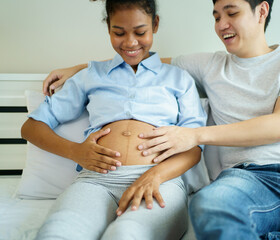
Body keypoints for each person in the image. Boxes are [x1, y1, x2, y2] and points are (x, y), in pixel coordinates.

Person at [42, 0, 280, 239]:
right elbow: (136, 57)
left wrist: (195, 136)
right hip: (245, 180)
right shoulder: (207, 65)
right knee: (208, 207)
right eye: (216, 16)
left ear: (261, 11)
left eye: (231, 13)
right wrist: (77, 69)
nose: (221, 24)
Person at [22, 0, 207, 239]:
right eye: (119, 33)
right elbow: (31, 127)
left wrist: (155, 176)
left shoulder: (179, 79)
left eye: (140, 32)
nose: (130, 42)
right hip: (96, 181)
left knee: (127, 234)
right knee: (58, 232)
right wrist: (76, 152)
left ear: (156, 24)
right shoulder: (90, 75)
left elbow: (194, 148)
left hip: (160, 181)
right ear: (108, 27)